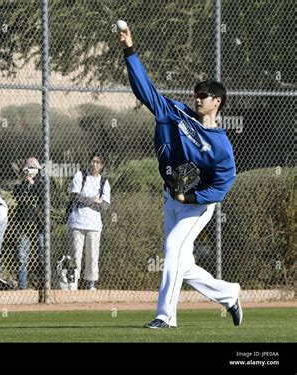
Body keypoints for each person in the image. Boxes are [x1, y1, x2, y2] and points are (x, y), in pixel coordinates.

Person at [119, 25, 242, 328]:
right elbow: (144, 88)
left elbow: (222, 185)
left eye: (205, 95)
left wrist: (192, 197)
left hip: (196, 204)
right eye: (197, 93)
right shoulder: (174, 113)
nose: (198, 98)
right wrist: (129, 50)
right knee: (182, 265)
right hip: (171, 196)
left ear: (218, 102)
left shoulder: (221, 146)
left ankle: (165, 317)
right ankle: (228, 294)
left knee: (173, 249)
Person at [65, 151, 111, 290]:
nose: (94, 164)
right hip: (77, 222)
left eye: (97, 162)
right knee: (75, 255)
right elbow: (74, 196)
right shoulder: (80, 176)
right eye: (93, 161)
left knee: (92, 256)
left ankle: (91, 284)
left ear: (102, 165)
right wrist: (94, 201)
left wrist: (94, 202)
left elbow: (105, 205)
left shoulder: (104, 182)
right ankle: (73, 283)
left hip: (94, 225)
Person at [13, 157, 44, 290]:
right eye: (27, 169)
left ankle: (44, 285)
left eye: (32, 169)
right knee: (22, 256)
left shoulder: (42, 184)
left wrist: (32, 183)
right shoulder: (20, 185)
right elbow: (17, 196)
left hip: (38, 225)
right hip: (23, 224)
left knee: (42, 255)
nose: (29, 172)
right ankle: (22, 286)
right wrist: (26, 183)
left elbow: (42, 198)